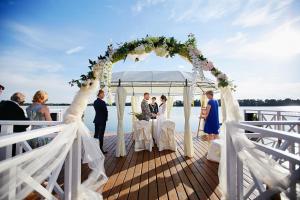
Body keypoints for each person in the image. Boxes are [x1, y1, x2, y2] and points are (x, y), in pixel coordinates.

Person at [93, 89, 108, 154]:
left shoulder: (95, 102)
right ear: (100, 94)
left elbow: (98, 111)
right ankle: (101, 149)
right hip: (102, 121)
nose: (104, 95)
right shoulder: (102, 102)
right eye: (103, 94)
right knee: (101, 135)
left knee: (96, 135)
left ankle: (94, 149)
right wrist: (106, 118)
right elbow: (105, 111)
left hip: (96, 120)